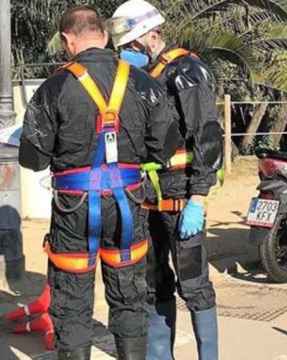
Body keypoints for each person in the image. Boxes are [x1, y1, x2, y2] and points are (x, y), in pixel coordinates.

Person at [19, 5, 178, 359]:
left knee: (72, 304)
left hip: (74, 210)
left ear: (67, 40)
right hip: (128, 206)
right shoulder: (142, 82)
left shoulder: (54, 86)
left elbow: (33, 159)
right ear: (105, 36)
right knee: (129, 299)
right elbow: (166, 146)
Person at [108, 1, 223, 358]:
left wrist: (199, 199)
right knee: (153, 283)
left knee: (194, 284)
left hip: (181, 198)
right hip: (147, 199)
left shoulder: (186, 70)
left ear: (147, 35)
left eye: (129, 46)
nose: (127, 53)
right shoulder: (147, 77)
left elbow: (205, 134)